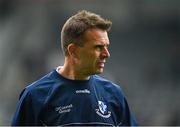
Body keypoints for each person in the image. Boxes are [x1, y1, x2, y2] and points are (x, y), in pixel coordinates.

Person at [11, 10, 138, 126]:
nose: (106, 54)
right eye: (98, 47)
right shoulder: (35, 96)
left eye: (106, 47)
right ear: (73, 51)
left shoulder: (114, 94)